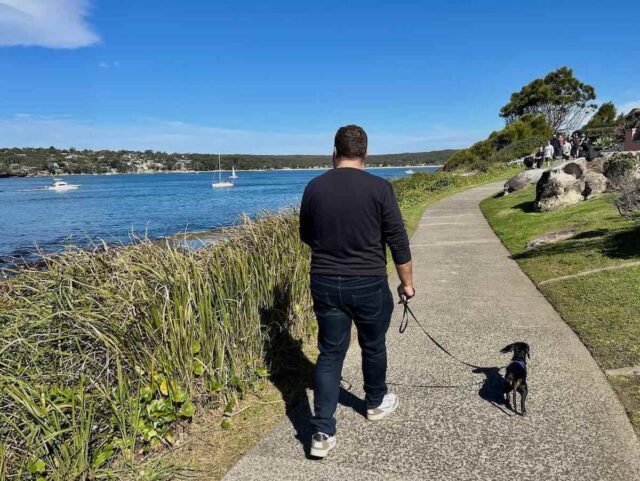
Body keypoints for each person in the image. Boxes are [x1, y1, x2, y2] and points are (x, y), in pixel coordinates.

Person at [299, 125, 414, 458]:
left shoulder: (314, 187)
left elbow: (307, 235)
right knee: (373, 345)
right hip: (368, 281)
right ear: (365, 154)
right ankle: (375, 402)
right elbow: (398, 241)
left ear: (333, 152)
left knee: (330, 353)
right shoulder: (380, 188)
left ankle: (321, 431)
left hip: (324, 280)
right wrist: (407, 283)